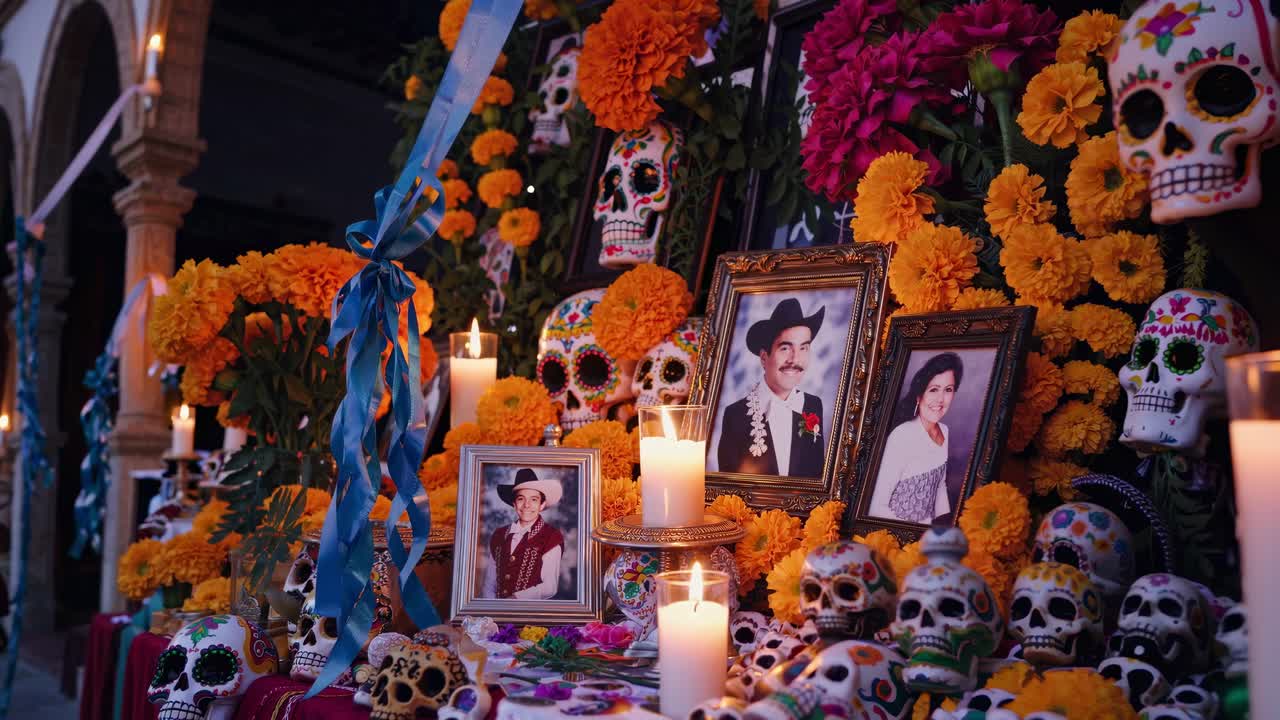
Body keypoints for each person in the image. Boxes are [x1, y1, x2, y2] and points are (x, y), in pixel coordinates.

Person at [717, 297, 826, 477]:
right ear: (764, 357)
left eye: (803, 348)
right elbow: (729, 488)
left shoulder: (813, 405)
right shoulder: (735, 415)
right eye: (785, 348)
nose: (795, 359)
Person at [867, 352, 964, 523]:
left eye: (948, 390)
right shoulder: (902, 436)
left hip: (928, 533)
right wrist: (915, 531)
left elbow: (939, 487)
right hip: (895, 531)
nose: (940, 399)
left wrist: (945, 527)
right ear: (919, 396)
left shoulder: (945, 431)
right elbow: (876, 507)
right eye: (934, 390)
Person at [481, 468, 565, 599]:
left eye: (534, 499)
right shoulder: (499, 535)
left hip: (529, 611)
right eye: (521, 499)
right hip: (495, 610)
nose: (527, 505)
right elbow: (489, 584)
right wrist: (492, 608)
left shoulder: (551, 536)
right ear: (514, 504)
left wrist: (514, 599)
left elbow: (550, 587)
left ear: (542, 505)